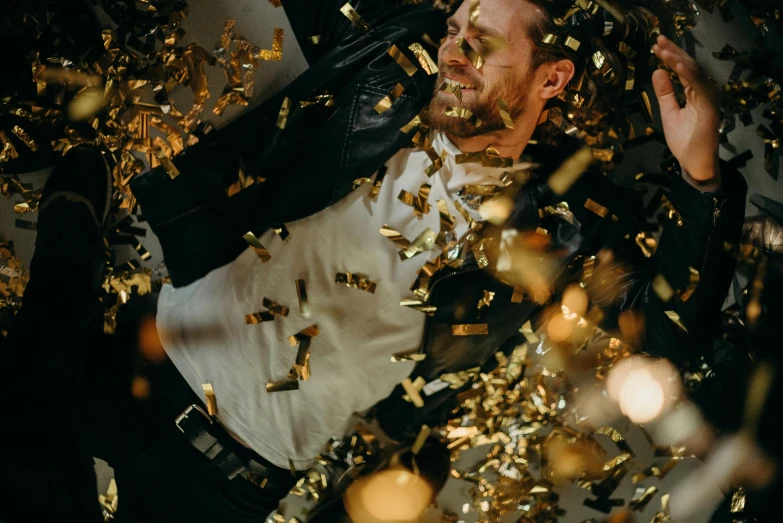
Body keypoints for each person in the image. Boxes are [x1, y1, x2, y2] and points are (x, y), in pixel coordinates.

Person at [0, 0, 747, 521]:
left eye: (481, 35)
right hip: (133, 354)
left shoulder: (562, 227)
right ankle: (72, 231)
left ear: (551, 77)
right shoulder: (394, 66)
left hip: (221, 489)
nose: (453, 46)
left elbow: (668, 330)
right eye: (455, 23)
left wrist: (701, 175)